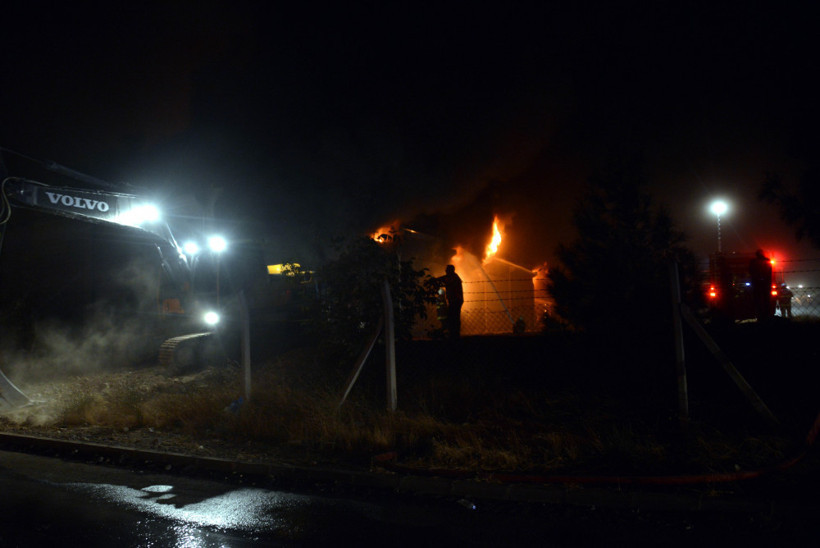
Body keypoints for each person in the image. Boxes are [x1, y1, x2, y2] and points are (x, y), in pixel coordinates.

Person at [437, 264, 463, 339]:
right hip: (454, 300)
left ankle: (454, 334)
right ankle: (453, 333)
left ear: (451, 270)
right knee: (453, 316)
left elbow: (447, 282)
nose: (445, 271)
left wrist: (437, 281)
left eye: (447, 270)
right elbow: (444, 278)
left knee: (453, 316)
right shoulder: (452, 277)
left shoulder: (454, 278)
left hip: (456, 300)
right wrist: (436, 280)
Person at [749, 249, 773, 322]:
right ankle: (767, 315)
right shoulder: (767, 261)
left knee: (758, 299)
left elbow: (751, 271)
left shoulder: (753, 262)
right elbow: (770, 271)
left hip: (757, 283)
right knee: (766, 299)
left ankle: (760, 316)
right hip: (765, 283)